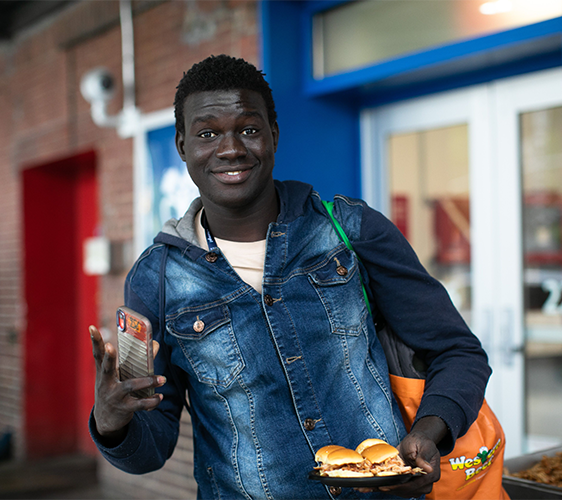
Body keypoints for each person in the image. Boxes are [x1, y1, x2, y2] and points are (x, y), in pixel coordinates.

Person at [89, 54, 491, 499]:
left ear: (274, 136)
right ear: (183, 145)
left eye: (248, 129)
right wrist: (112, 420)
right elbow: (152, 451)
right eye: (207, 134)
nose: (230, 149)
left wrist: (430, 432)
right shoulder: (157, 279)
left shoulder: (350, 231)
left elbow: (458, 352)